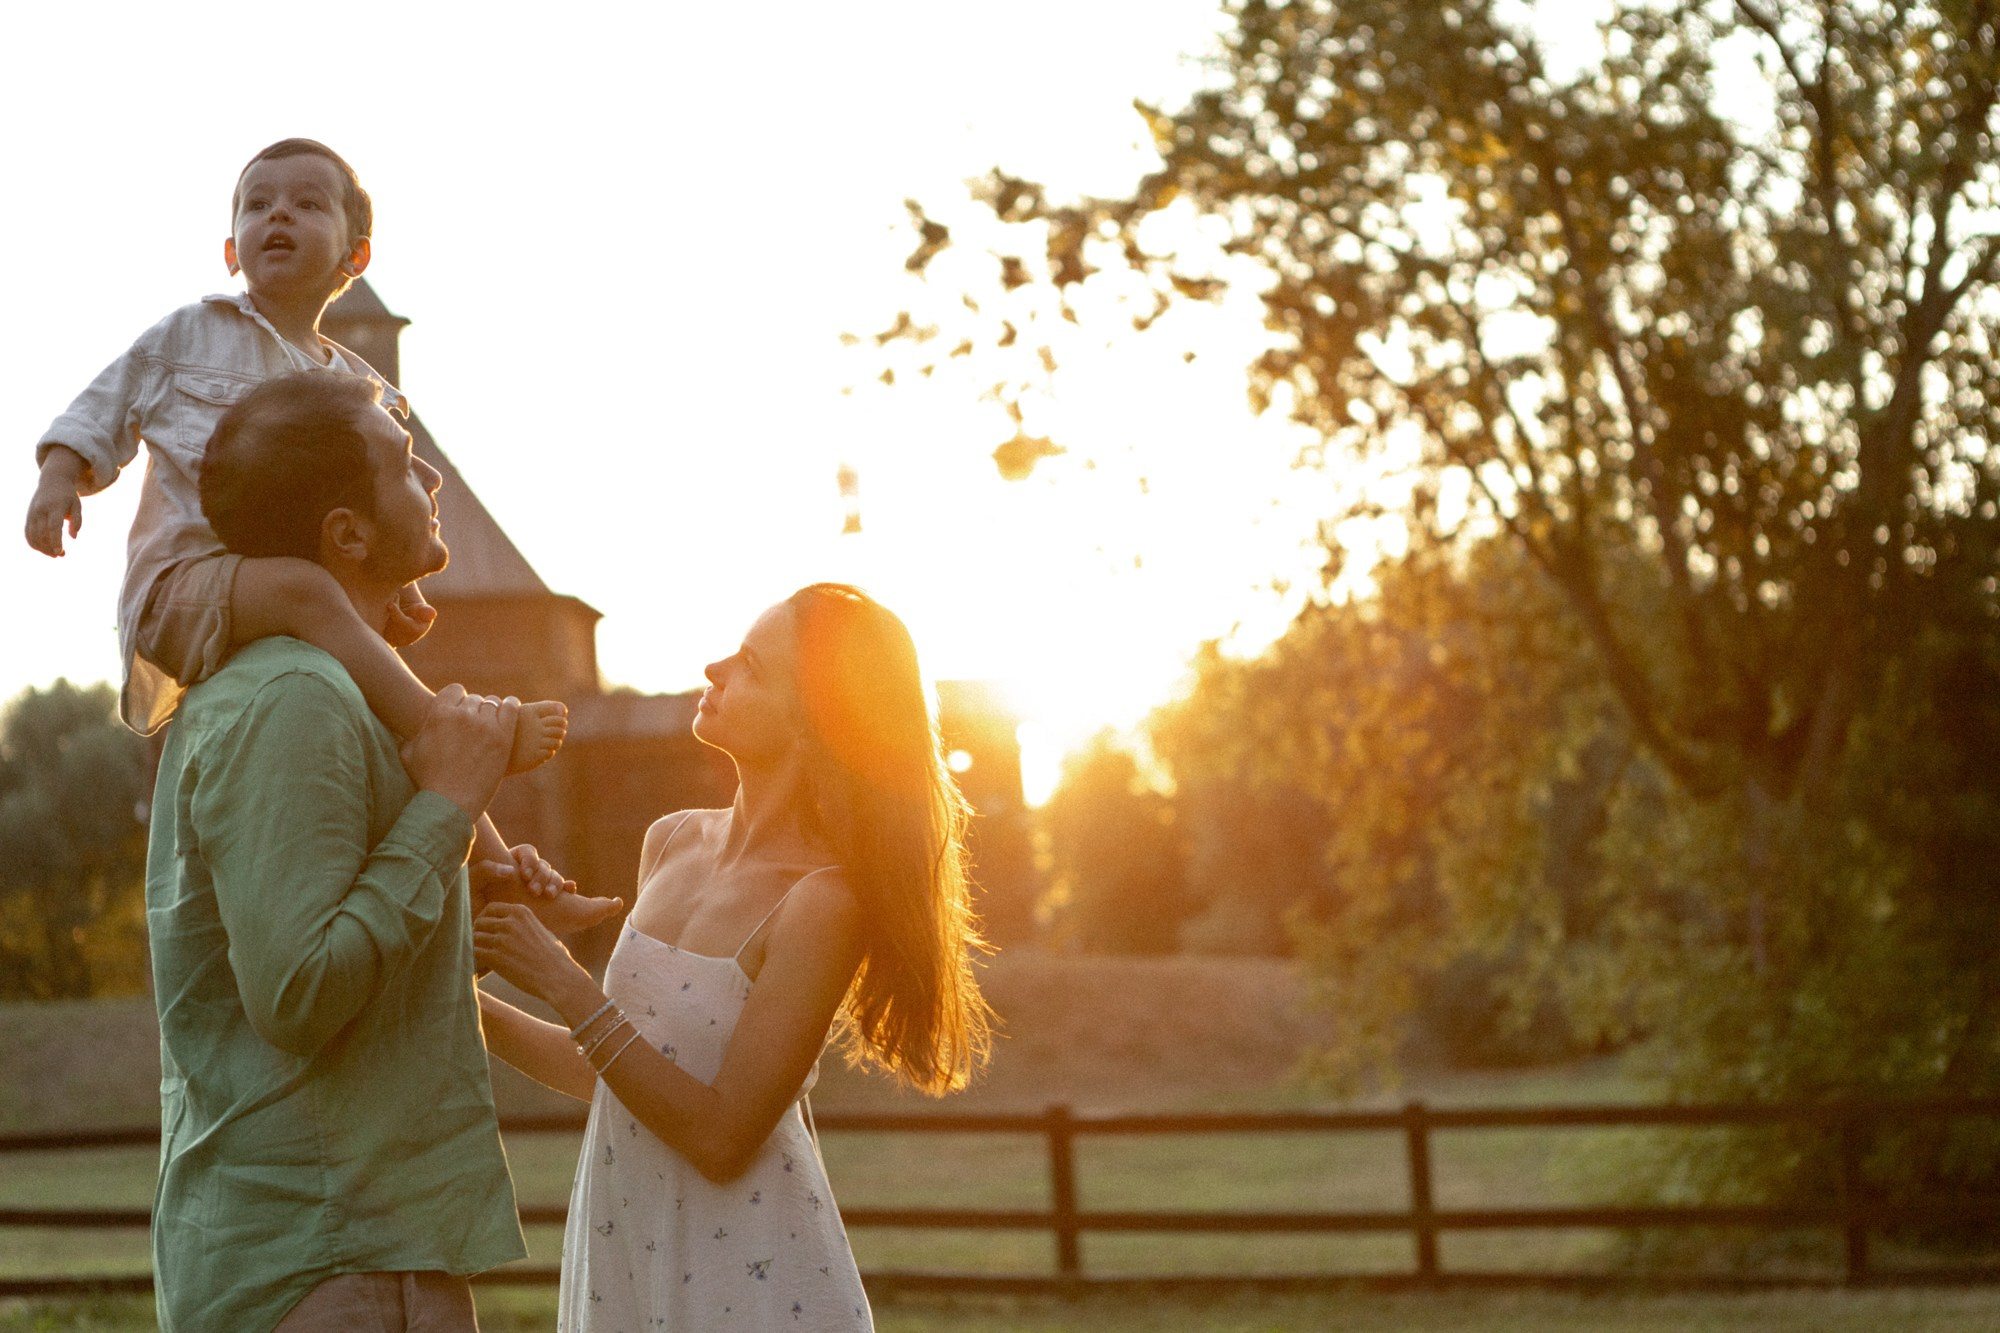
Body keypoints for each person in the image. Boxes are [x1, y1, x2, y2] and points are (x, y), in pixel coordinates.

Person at [474, 584, 995, 1331]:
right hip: (631, 1257)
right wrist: (454, 992)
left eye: (750, 665)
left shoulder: (822, 901)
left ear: (814, 721)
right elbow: (618, 1074)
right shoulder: (672, 839)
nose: (714, 666)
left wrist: (561, 979)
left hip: (753, 1286)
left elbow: (722, 1136)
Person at [148, 370, 538, 1331]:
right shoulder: (296, 697)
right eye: (405, 466)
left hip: (367, 1253)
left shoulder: (330, 692)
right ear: (347, 534)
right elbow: (297, 990)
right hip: (328, 1269)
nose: (431, 482)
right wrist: (448, 803)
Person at [22, 136, 565, 767]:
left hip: (295, 593)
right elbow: (103, 405)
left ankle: (492, 854)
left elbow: (383, 505)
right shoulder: (189, 335)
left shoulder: (359, 392)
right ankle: (451, 728)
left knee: (369, 674)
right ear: (232, 251)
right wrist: (59, 476)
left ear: (354, 256)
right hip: (186, 584)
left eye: (307, 204)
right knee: (313, 595)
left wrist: (396, 587)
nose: (277, 214)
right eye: (257, 205)